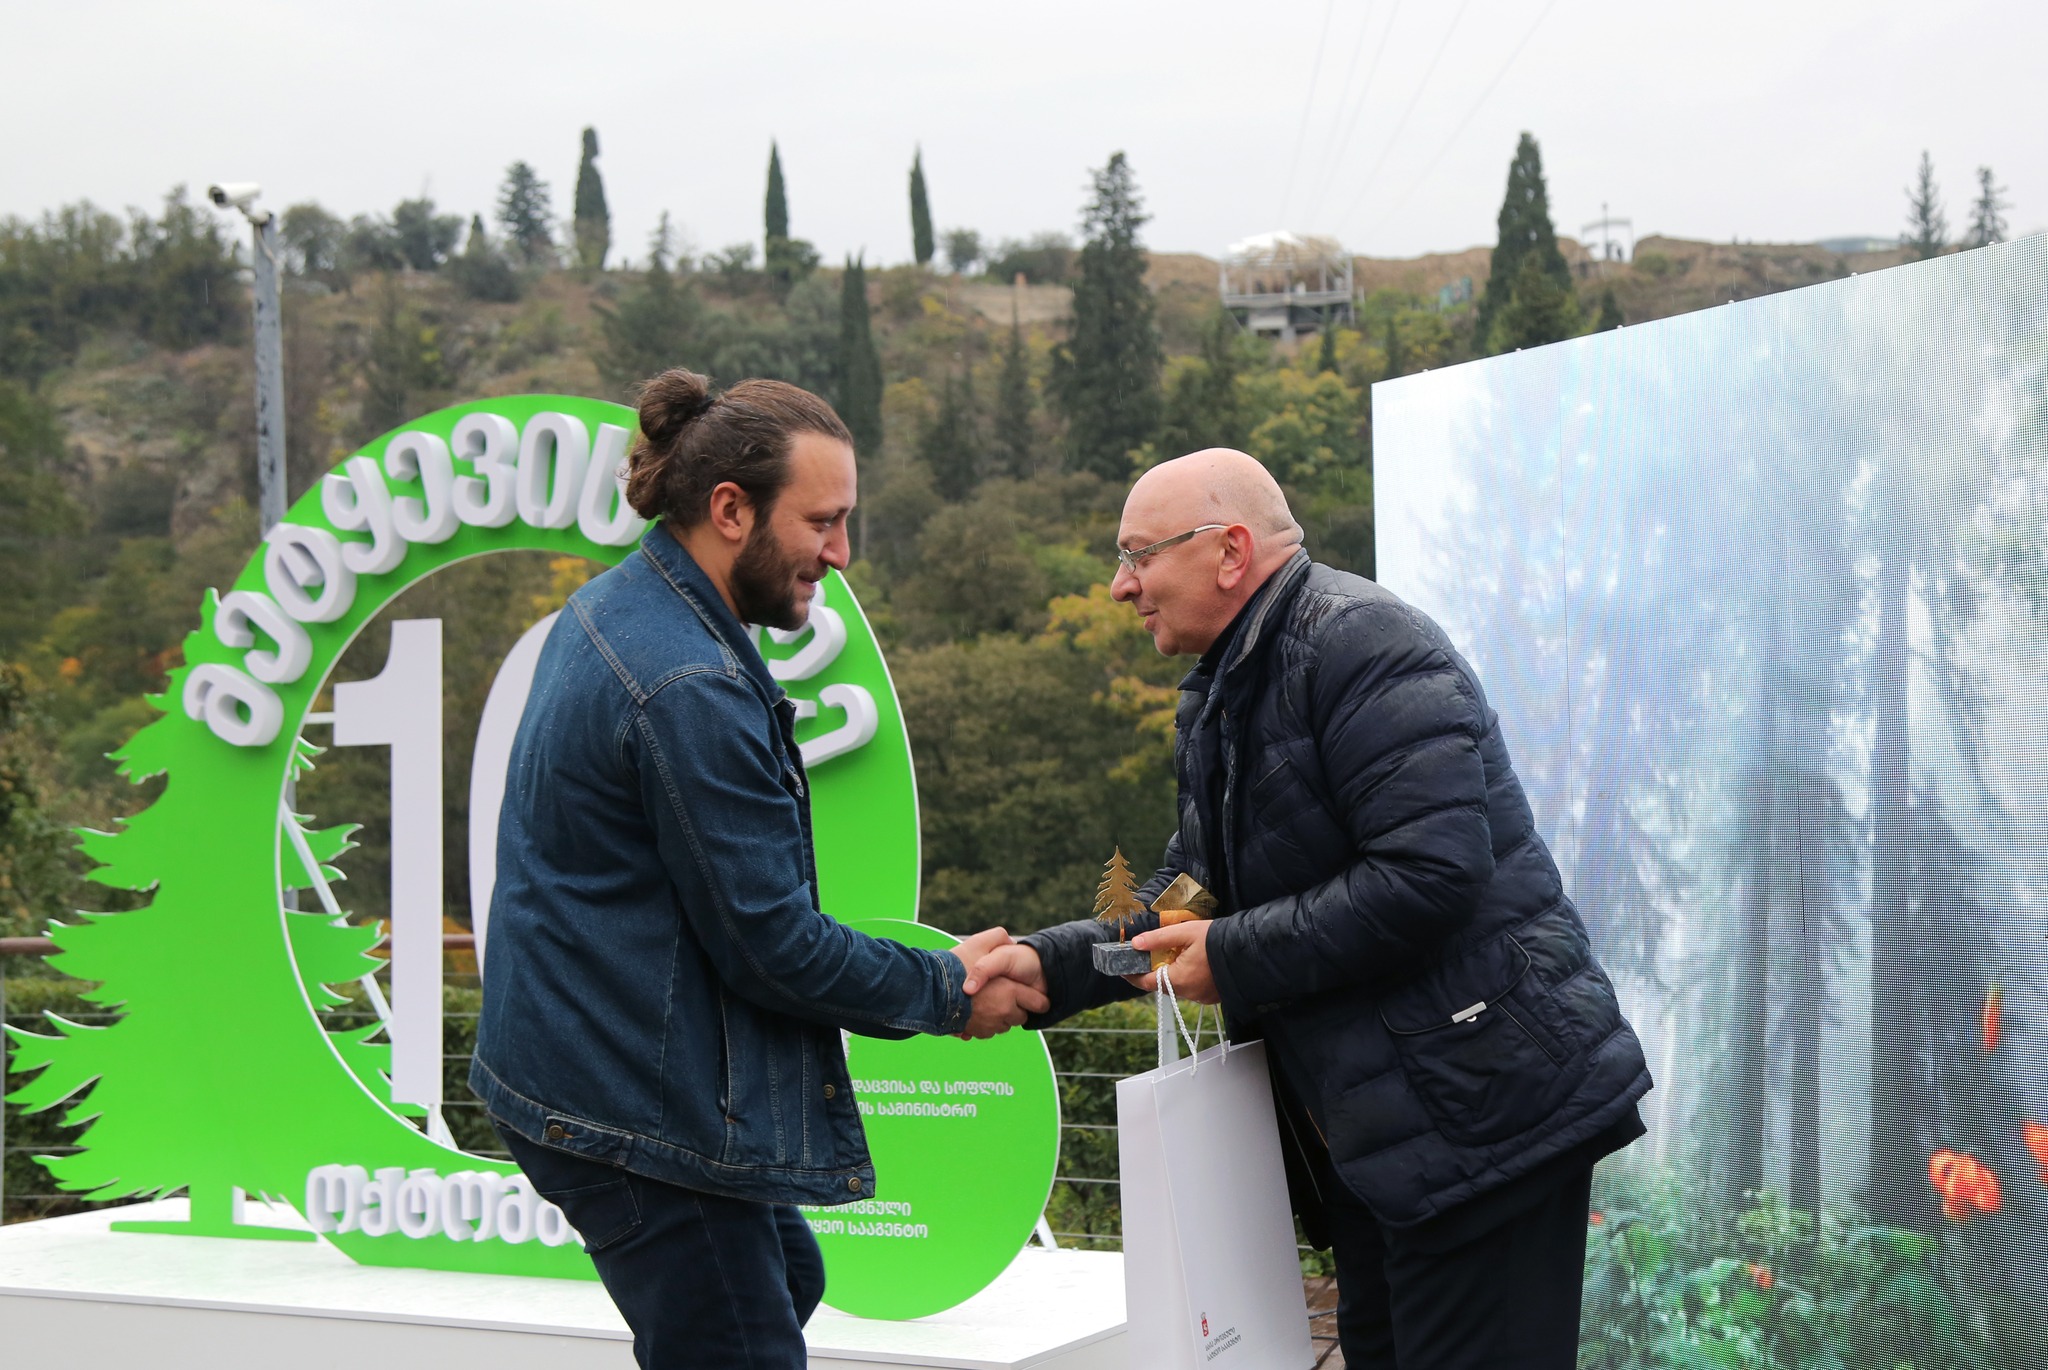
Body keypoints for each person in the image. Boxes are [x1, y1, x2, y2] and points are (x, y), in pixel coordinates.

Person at [964, 449, 1652, 1369]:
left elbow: (1431, 874)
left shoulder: (1363, 643)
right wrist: (1050, 968)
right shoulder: (1227, 685)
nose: (1122, 586)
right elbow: (1193, 896)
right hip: (1390, 1142)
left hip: (1482, 1125)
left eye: (1138, 555)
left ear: (1230, 551)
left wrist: (1233, 955)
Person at [470, 369, 1044, 1370]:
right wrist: (948, 989)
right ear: (730, 509)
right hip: (635, 1107)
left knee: (787, 1278)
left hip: (581, 1067)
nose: (841, 552)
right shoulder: (686, 683)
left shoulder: (620, 606)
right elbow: (771, 944)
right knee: (742, 1340)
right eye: (822, 521)